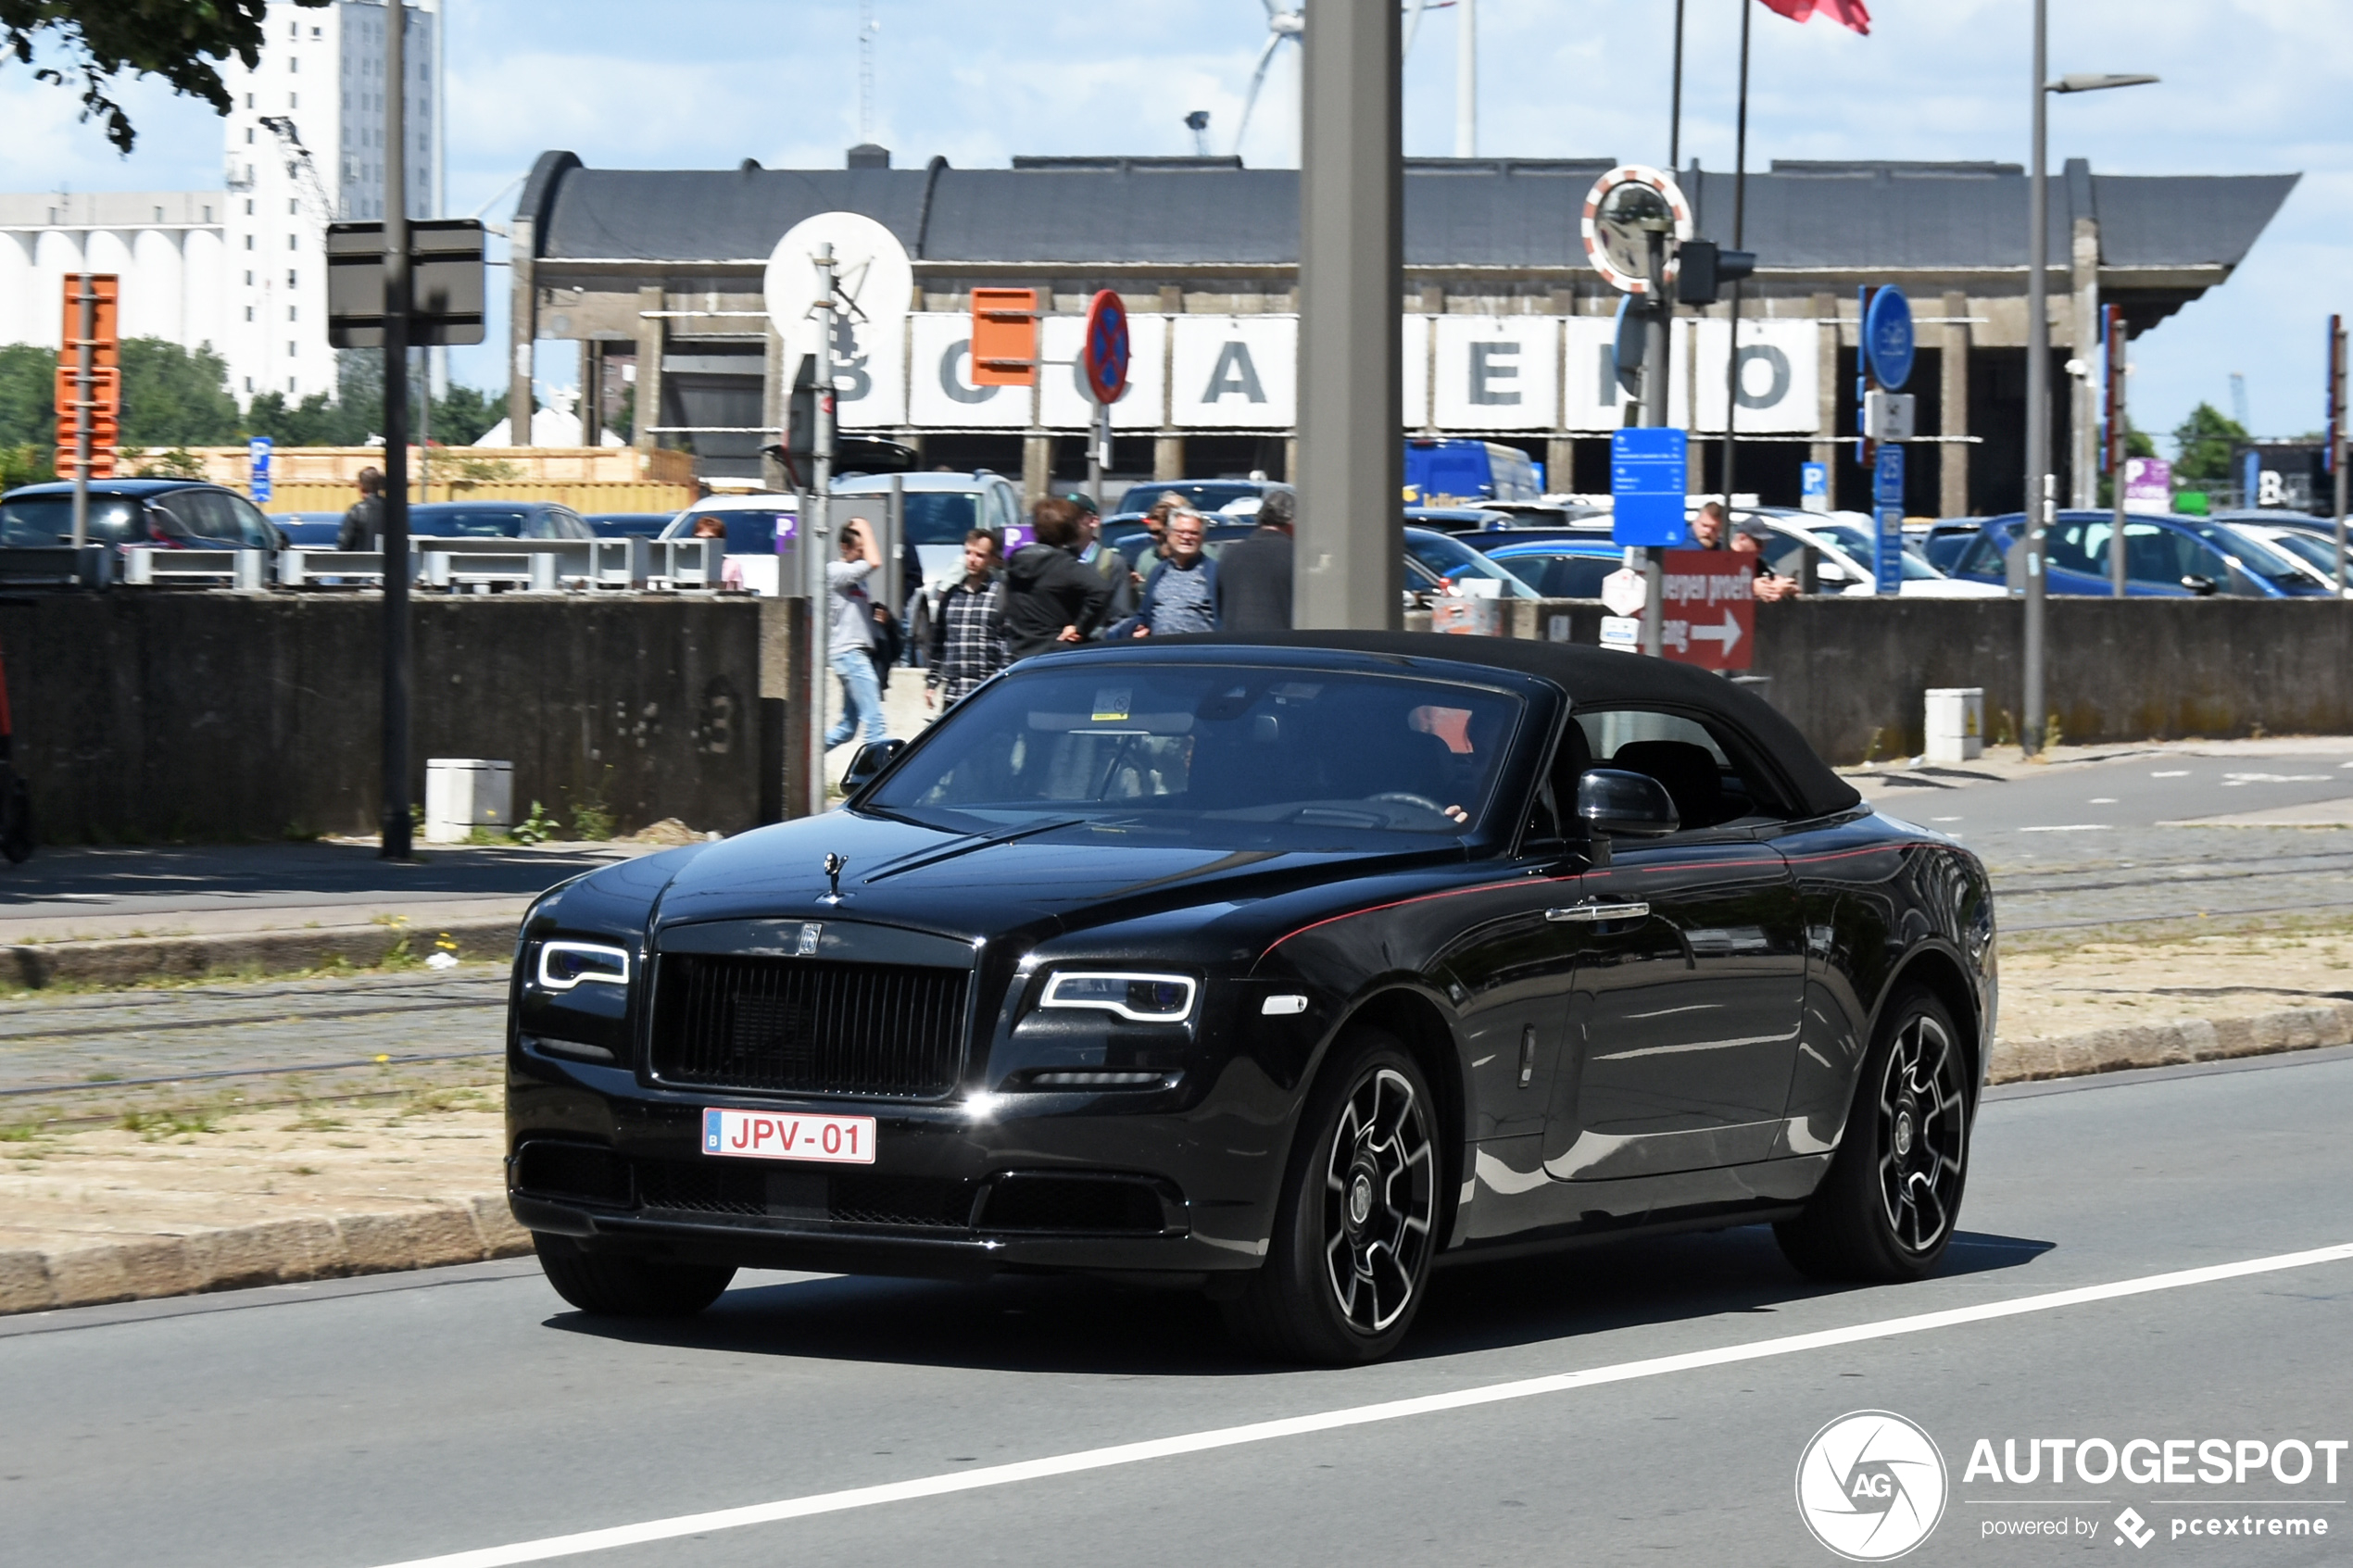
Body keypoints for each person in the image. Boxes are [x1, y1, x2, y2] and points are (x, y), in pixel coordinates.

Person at [1003, 496, 1113, 659]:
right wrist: (1080, 627)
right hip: (1057, 651)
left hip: (1020, 651)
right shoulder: (1064, 565)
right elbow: (1102, 590)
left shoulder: (1015, 561)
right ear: (1069, 529)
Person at [824, 516, 890, 752]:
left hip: (858, 651)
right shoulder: (836, 571)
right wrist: (866, 528)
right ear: (845, 547)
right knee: (875, 723)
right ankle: (879, 778)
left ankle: (801, 753)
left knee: (847, 728)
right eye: (859, 550)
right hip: (849, 653)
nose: (863, 555)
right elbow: (875, 562)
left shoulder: (857, 581)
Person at [925, 528, 1009, 709]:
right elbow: (940, 643)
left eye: (980, 555)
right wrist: (932, 682)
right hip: (954, 695)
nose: (972, 559)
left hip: (989, 693)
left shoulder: (1000, 594)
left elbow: (1009, 641)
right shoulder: (951, 597)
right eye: (968, 553)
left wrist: (1001, 675)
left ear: (992, 559)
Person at [1213, 484, 1294, 633]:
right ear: (1292, 523)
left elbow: (1219, 609)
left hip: (1238, 649)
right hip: (1284, 650)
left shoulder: (1230, 555)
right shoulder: (1296, 556)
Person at [1125, 509, 1218, 636]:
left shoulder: (1215, 573)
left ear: (1202, 538)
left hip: (1201, 653)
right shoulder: (1159, 572)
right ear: (1168, 535)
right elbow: (1144, 614)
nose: (1186, 537)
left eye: (1194, 533)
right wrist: (1137, 628)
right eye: (1180, 532)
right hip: (1160, 653)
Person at [1732, 518, 1803, 601]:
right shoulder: (1721, 556)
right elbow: (1719, 586)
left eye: (1764, 544)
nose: (1762, 549)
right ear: (1742, 538)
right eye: (1758, 543)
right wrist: (1750, 588)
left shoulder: (1757, 563)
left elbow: (1773, 581)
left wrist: (1786, 587)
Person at [337, 467, 385, 551]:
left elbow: (343, 546)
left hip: (362, 563)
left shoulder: (356, 512)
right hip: (390, 563)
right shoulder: (395, 511)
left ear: (361, 486)